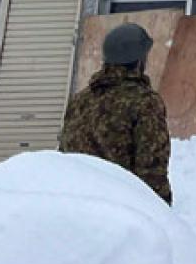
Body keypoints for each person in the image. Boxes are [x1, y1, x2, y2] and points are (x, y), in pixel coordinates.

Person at [59, 23, 172, 203]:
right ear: (139, 60)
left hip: (74, 202)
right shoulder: (144, 101)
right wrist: (160, 211)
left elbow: (64, 153)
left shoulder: (80, 100)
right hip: (119, 207)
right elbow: (151, 166)